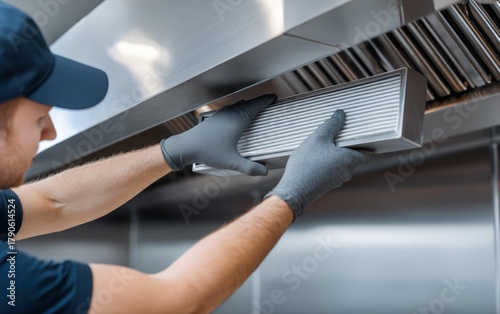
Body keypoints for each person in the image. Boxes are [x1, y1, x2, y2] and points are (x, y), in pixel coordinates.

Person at [0, 3, 371, 313]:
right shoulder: (13, 285)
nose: (49, 132)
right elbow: (175, 301)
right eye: (38, 116)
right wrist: (290, 197)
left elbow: (54, 203)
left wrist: (174, 151)